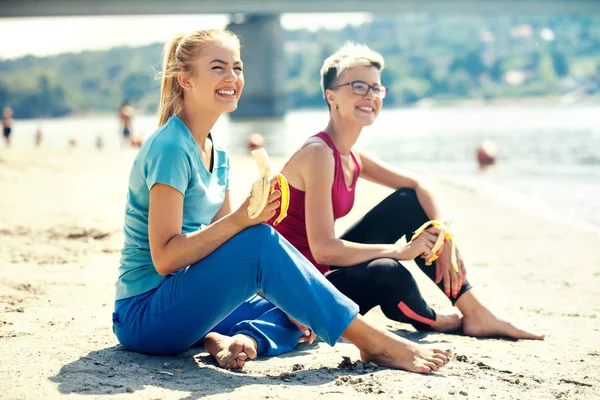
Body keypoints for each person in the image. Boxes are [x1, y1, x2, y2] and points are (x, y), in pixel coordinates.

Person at [112, 29, 452, 374]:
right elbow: (166, 258)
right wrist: (244, 220)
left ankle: (232, 340)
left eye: (238, 67)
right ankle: (376, 343)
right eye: (218, 68)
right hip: (146, 315)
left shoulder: (220, 154)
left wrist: (284, 291)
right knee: (265, 248)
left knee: (300, 312)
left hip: (188, 300)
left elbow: (223, 251)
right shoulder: (170, 148)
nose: (232, 77)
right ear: (185, 79)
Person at [269, 43, 544, 340]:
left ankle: (475, 311)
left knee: (408, 203)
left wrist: (442, 234)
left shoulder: (350, 155)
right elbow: (324, 249)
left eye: (376, 88)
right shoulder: (318, 153)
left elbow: (419, 185)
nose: (370, 96)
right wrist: (402, 251)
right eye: (358, 86)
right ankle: (436, 320)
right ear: (331, 96)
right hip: (294, 289)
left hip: (319, 271)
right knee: (387, 271)